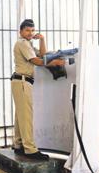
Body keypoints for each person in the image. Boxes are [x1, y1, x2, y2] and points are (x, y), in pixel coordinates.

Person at [11, 19, 65, 160]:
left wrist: (42, 39)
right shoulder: (22, 43)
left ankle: (18, 145)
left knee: (20, 116)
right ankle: (30, 149)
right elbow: (36, 61)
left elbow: (42, 54)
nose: (30, 33)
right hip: (22, 81)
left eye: (32, 30)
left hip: (20, 81)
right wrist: (55, 63)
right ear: (21, 31)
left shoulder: (27, 44)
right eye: (27, 30)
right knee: (26, 116)